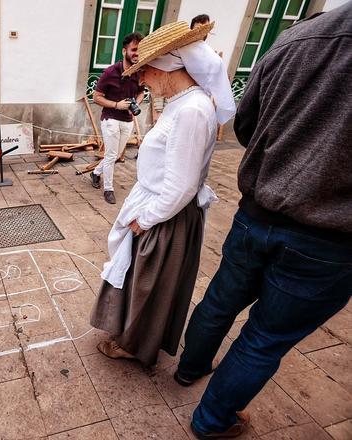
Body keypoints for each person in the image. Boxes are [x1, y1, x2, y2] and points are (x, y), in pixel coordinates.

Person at [174, 4, 352, 439]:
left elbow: (246, 121)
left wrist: (283, 158)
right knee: (264, 337)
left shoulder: (297, 37)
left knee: (220, 300)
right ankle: (211, 420)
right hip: (327, 235)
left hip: (259, 210)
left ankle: (189, 368)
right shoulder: (301, 35)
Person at [90, 21, 236, 367]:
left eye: (145, 71)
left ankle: (135, 345)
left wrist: (147, 218)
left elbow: (183, 184)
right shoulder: (181, 102)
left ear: (168, 65)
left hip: (165, 213)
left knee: (148, 287)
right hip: (157, 204)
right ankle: (128, 334)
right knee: (140, 280)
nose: (140, 80)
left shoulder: (192, 110)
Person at [91, 32, 145, 204]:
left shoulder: (139, 72)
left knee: (114, 155)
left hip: (127, 120)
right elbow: (96, 97)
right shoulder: (110, 72)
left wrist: (134, 103)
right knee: (111, 154)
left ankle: (95, 172)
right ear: (124, 51)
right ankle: (108, 189)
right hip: (110, 118)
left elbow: (141, 92)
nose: (137, 53)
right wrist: (116, 105)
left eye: (139, 50)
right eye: (134, 49)